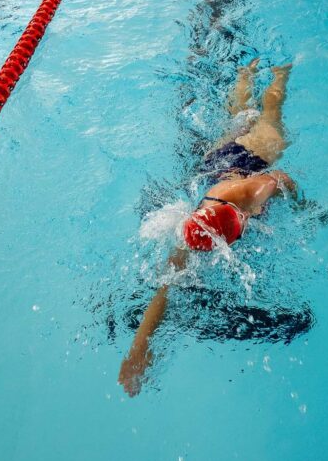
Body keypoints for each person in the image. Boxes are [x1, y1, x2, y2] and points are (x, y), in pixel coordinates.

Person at [118, 59, 297, 396]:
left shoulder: (254, 191)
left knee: (270, 116)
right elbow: (164, 290)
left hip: (253, 156)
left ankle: (279, 73)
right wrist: (139, 348)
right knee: (239, 118)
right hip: (217, 164)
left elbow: (286, 180)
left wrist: (306, 207)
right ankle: (245, 74)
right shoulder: (194, 230)